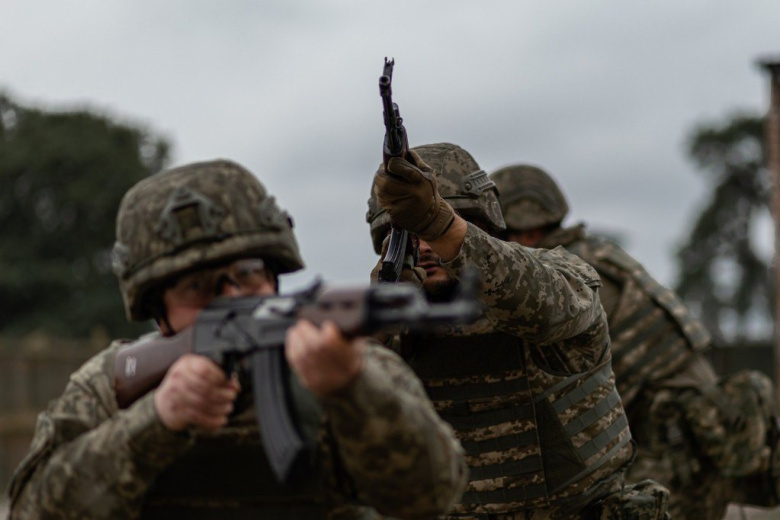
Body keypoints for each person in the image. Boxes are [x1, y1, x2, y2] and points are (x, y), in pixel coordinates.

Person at [8, 159, 467, 520]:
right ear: (156, 307)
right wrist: (155, 422)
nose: (232, 297)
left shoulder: (348, 364)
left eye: (247, 274)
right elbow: (33, 511)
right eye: (198, 286)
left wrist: (352, 390)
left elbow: (432, 494)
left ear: (273, 275)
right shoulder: (110, 387)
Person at [366, 143, 670, 519]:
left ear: (485, 227)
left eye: (433, 228)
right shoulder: (385, 332)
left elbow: (542, 303)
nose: (425, 247)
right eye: (409, 234)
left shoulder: (563, 275)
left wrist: (443, 225)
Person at [489, 163, 780, 519]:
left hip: (671, 446)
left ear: (528, 229)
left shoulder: (564, 277)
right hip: (693, 434)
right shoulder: (598, 255)